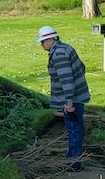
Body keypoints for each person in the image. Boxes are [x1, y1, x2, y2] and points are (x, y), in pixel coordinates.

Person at [37, 26, 90, 171]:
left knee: (73, 129)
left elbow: (67, 80)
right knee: (75, 128)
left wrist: (68, 103)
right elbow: (82, 68)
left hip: (73, 100)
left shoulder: (59, 54)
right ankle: (73, 160)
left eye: (43, 41)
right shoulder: (65, 48)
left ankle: (74, 163)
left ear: (52, 39)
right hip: (78, 96)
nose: (41, 45)